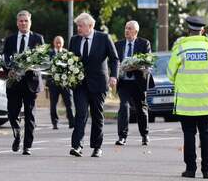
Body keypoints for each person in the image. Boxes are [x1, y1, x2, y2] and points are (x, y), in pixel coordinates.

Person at [167, 16, 208, 179]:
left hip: (186, 103)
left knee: (189, 135)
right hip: (207, 102)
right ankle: (207, 170)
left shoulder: (181, 47)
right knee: (206, 136)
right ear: (202, 31)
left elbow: (170, 74)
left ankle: (190, 169)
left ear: (188, 30)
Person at [68, 12, 119, 158]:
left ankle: (97, 147)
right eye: (77, 26)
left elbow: (114, 59)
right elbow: (69, 60)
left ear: (90, 26)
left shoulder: (103, 38)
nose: (78, 29)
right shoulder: (74, 40)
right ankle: (77, 145)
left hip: (99, 83)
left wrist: (114, 76)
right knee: (81, 113)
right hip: (80, 84)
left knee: (97, 115)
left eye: (81, 26)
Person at [3, 10, 45, 155]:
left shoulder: (38, 38)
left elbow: (42, 59)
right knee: (12, 113)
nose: (23, 23)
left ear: (30, 22)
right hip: (14, 82)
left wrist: (32, 65)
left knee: (30, 114)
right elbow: (5, 58)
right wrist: (8, 69)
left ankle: (27, 146)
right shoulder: (10, 39)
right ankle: (17, 134)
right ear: (17, 23)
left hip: (31, 82)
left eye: (26, 21)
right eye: (21, 21)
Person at [114, 20, 154, 146]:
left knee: (141, 109)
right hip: (124, 82)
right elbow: (114, 62)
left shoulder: (144, 43)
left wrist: (133, 66)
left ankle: (144, 135)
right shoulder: (118, 45)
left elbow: (147, 62)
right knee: (123, 107)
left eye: (130, 29)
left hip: (138, 82)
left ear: (136, 32)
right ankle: (122, 136)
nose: (127, 31)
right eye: (126, 28)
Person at [46, 36, 75, 130]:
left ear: (63, 43)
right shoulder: (49, 53)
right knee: (53, 104)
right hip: (53, 83)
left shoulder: (67, 53)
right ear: (54, 43)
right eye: (56, 42)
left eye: (60, 42)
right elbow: (46, 67)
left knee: (69, 103)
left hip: (65, 83)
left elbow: (71, 66)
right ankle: (54, 122)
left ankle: (71, 122)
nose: (58, 44)